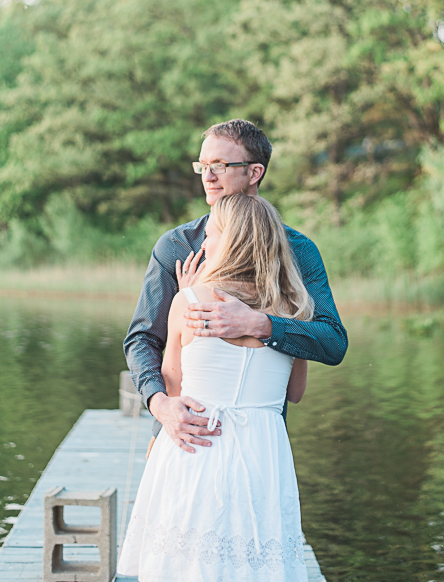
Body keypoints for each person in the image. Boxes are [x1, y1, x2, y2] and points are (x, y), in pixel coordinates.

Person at [117, 193, 314, 581]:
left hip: (197, 445)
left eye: (213, 234)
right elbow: (295, 393)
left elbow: (173, 387)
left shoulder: (188, 301)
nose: (204, 243)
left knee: (187, 565)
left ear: (235, 241)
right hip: (262, 453)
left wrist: (192, 290)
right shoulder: (295, 310)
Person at [124, 118, 348, 452]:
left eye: (219, 166)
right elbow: (142, 339)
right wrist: (160, 405)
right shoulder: (176, 246)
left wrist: (263, 325)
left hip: (258, 442)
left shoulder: (298, 251)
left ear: (254, 172)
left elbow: (332, 342)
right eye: (202, 166)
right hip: (183, 436)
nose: (207, 177)